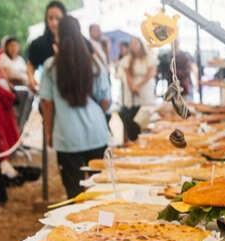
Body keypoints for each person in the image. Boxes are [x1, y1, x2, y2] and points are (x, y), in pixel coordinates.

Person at [40, 16, 110, 199]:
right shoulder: (95, 64)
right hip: (97, 133)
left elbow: (47, 104)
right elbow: (106, 100)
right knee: (100, 192)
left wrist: (49, 132)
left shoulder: (50, 67)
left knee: (75, 195)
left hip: (67, 135)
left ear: (59, 35)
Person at [26, 1, 67, 90]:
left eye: (58, 18)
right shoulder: (38, 43)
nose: (54, 23)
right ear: (46, 19)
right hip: (50, 93)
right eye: (50, 18)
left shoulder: (76, 40)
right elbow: (31, 64)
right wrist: (30, 78)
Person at [118, 36, 155, 108]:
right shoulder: (127, 59)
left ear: (140, 44)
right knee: (133, 109)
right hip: (131, 86)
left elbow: (151, 73)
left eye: (135, 43)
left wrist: (138, 86)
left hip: (145, 86)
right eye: (132, 43)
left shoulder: (148, 57)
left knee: (145, 109)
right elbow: (127, 75)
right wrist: (133, 87)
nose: (133, 45)